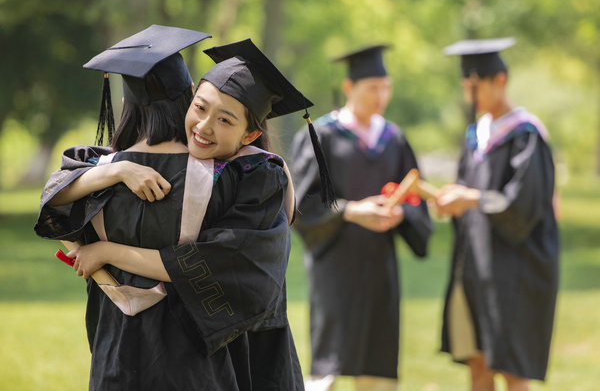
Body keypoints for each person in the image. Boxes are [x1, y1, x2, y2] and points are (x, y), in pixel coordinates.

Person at [36, 30, 314, 390]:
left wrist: (105, 244)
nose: (203, 126)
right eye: (200, 107)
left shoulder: (98, 172)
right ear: (188, 98)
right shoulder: (252, 176)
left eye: (225, 119)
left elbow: (54, 204)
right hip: (206, 354)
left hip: (117, 348)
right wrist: (118, 171)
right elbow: (240, 267)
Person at [290, 45, 432, 391]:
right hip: (335, 269)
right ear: (349, 88)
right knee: (330, 367)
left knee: (378, 367)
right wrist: (352, 211)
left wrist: (400, 213)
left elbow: (418, 203)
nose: (381, 96)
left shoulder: (394, 140)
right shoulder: (321, 136)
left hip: (380, 270)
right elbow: (300, 203)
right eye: (373, 88)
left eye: (386, 87)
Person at [437, 38, 559, 391]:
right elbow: (466, 191)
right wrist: (450, 200)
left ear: (500, 80)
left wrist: (470, 198)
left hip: (514, 270)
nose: (469, 95)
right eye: (465, 87)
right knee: (478, 363)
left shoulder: (525, 135)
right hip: (476, 265)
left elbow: (523, 205)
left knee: (511, 367)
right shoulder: (476, 135)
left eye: (474, 86)